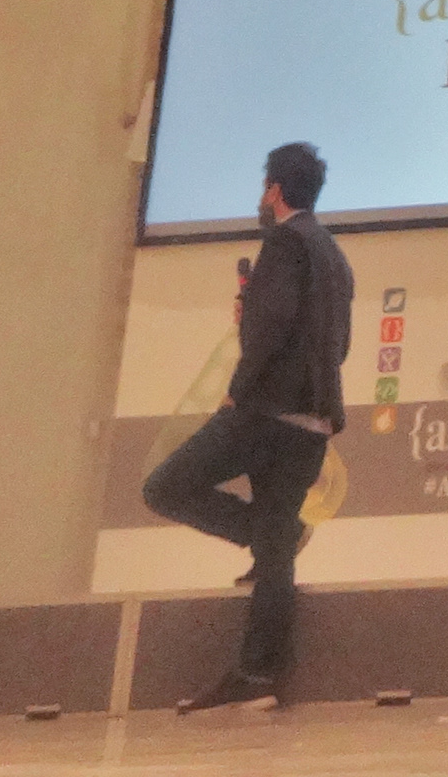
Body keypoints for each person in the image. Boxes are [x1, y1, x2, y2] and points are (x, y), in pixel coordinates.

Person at [144, 141, 355, 715]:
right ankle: (259, 673)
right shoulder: (334, 254)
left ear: (275, 190)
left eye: (264, 187)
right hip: (314, 419)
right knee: (276, 549)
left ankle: (267, 538)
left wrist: (240, 385)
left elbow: (274, 325)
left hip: (265, 412)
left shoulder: (283, 241)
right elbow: (336, 343)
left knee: (164, 487)